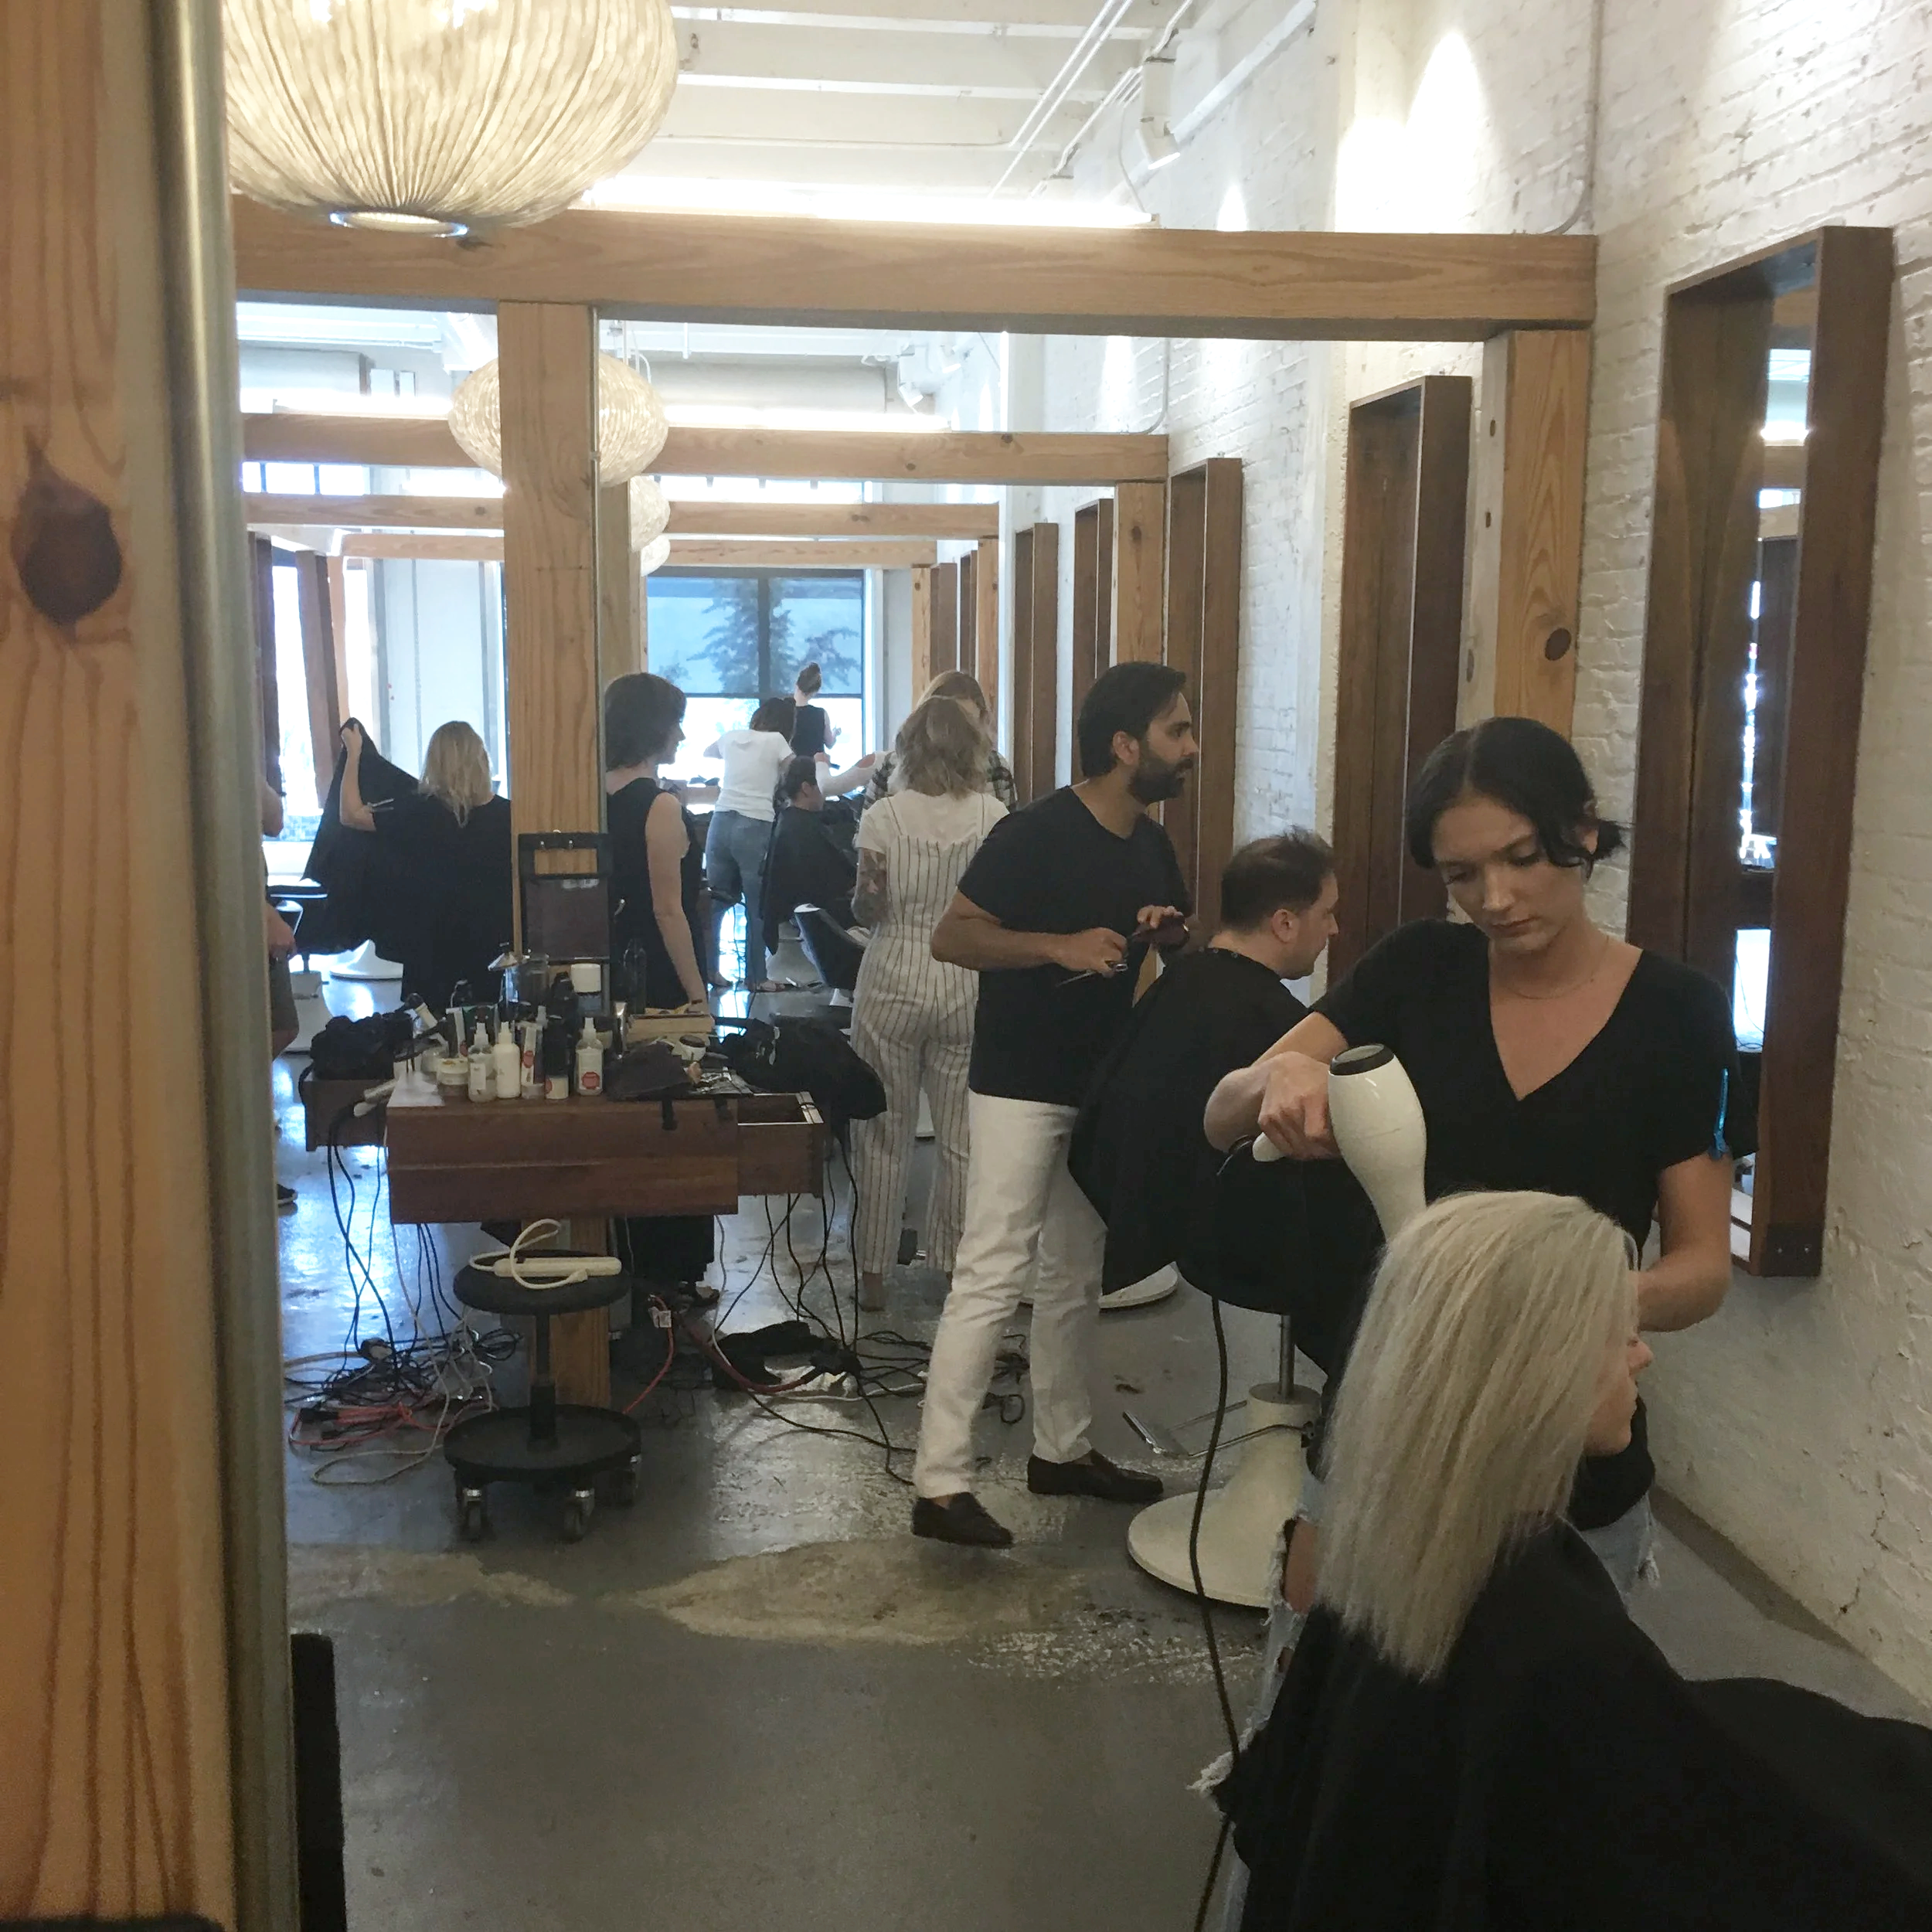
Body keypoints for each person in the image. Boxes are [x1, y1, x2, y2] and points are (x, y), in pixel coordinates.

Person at [1217, 1189, 1932, 1931]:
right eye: (1620, 1338)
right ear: (1541, 1375)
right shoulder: (1547, 1637)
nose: (1643, 1354)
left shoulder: (1393, 1558)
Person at [1206, 716, 1740, 1605]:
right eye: (1461, 875)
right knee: (1322, 1711)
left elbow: (1704, 1269)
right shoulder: (1417, 971)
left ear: (1579, 828)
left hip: (1563, 1438)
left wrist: (1568, 1301)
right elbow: (1219, 1115)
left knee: (1537, 1735)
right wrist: (1278, 1076)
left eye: (1521, 857)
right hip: (1388, 1409)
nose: (1493, 899)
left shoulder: (1679, 1016)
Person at [909, 661, 1197, 1548]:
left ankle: (1063, 1449)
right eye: (1177, 731)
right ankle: (939, 1482)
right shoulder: (1032, 832)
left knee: (1075, 1275)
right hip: (1021, 1083)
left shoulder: (1149, 839)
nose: (1190, 748)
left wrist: (1165, 932)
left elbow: (1168, 933)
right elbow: (951, 935)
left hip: (1100, 1082)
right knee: (993, 1269)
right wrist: (1055, 947)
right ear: (1124, 745)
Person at [1069, 832, 1338, 1301]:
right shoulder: (1280, 1029)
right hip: (1234, 1247)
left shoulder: (1182, 981)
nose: (1334, 929)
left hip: (1140, 1216)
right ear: (1285, 924)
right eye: (1327, 913)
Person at [849, 696, 1008, 1311]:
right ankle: (951, 1270)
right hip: (965, 977)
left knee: (882, 1131)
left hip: (892, 973)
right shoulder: (994, 815)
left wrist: (872, 890)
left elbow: (868, 907)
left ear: (907, 749)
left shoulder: (884, 816)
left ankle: (872, 1275)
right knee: (961, 1135)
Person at [605, 672, 716, 1298]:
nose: (680, 732)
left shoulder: (593, 795)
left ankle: (629, 1261)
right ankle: (672, 1271)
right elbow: (670, 911)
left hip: (616, 967)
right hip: (661, 970)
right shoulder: (660, 804)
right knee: (672, 1117)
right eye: (675, 721)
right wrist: (698, 996)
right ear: (653, 729)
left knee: (625, 1117)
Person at [338, 718, 512, 1011]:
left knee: (429, 1039)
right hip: (492, 951)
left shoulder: (418, 813)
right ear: (481, 759)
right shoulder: (510, 817)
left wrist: (354, 753)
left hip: (430, 952)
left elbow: (350, 815)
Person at [702, 697, 797, 992]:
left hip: (719, 821)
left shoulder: (731, 736)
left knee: (715, 903)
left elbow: (708, 752)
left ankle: (711, 972)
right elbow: (794, 771)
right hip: (754, 823)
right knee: (756, 905)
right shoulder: (778, 740)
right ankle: (756, 977)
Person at [866, 669, 1018, 811]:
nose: (956, 734)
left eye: (967, 723)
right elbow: (868, 833)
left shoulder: (997, 767)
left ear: (982, 719)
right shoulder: (889, 767)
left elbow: (1010, 832)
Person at [760, 755, 860, 948]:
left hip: (803, 909)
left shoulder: (788, 819)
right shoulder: (805, 831)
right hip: (824, 914)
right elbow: (843, 884)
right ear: (806, 788)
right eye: (822, 787)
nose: (825, 793)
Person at [790, 661, 834, 760]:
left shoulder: (784, 712)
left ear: (796, 684)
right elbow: (829, 743)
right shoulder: (821, 714)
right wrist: (835, 734)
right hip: (816, 769)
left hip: (791, 769)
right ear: (815, 691)